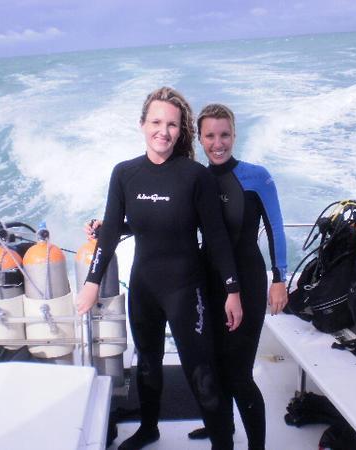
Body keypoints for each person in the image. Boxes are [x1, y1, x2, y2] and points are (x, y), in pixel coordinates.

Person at [76, 87, 243, 450]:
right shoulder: (124, 174)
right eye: (156, 122)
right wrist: (92, 282)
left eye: (171, 124)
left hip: (186, 288)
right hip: (144, 287)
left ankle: (222, 442)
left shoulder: (195, 176)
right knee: (147, 364)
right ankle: (149, 428)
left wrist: (233, 290)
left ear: (180, 131)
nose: (163, 131)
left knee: (200, 371)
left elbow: (215, 237)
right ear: (142, 124)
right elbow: (115, 230)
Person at [188, 103, 289, 450]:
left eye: (225, 134)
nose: (218, 143)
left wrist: (279, 278)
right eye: (210, 136)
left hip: (246, 281)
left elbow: (275, 227)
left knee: (239, 374)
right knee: (213, 368)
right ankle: (224, 429)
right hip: (208, 284)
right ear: (200, 139)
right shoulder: (196, 179)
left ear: (234, 135)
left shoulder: (256, 176)